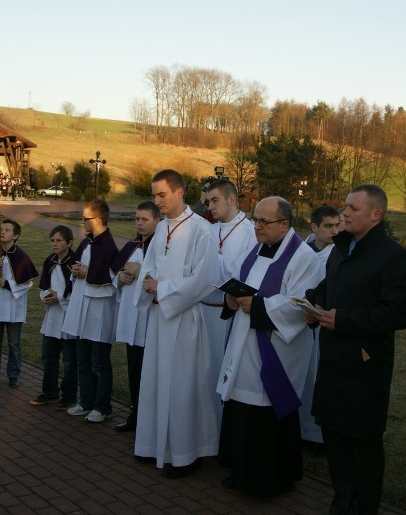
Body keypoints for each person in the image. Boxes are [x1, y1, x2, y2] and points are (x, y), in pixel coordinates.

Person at [308, 184, 406, 515]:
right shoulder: (341, 249)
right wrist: (313, 303)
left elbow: (397, 313)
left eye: (353, 209)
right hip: (332, 362)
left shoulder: (395, 258)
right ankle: (342, 502)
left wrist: (343, 320)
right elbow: (328, 288)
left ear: (376, 215)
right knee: (335, 442)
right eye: (345, 207)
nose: (344, 213)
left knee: (362, 446)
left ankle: (362, 507)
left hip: (364, 367)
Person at [217, 196, 322, 496]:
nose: (257, 226)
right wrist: (231, 298)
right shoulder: (258, 248)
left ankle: (268, 480)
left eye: (264, 221)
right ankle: (241, 471)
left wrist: (260, 306)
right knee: (241, 408)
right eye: (255, 220)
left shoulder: (304, 258)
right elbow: (240, 280)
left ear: (285, 224)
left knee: (264, 413)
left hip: (274, 349)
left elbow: (303, 302)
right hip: (244, 341)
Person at [134, 169, 220, 478]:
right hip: (161, 319)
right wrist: (147, 280)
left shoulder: (201, 229)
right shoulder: (160, 229)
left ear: (180, 192)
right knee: (156, 380)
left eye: (162, 195)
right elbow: (151, 265)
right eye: (155, 195)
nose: (157, 201)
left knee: (183, 385)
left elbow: (204, 278)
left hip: (183, 319)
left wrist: (163, 288)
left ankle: (186, 453)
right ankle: (153, 444)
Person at [203, 178, 257, 425]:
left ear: (232, 199)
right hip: (203, 309)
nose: (210, 207)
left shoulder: (250, 231)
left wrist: (212, 260)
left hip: (228, 314)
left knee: (222, 372)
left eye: (215, 200)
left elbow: (243, 274)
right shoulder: (210, 229)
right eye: (207, 202)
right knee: (203, 372)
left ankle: (222, 429)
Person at [62, 199, 119, 424]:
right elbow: (80, 264)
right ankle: (86, 401)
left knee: (99, 362)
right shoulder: (87, 242)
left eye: (85, 218)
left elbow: (110, 275)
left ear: (97, 219)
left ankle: (103, 406)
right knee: (83, 359)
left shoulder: (108, 245)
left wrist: (88, 272)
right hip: (82, 307)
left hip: (99, 310)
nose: (83, 222)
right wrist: (76, 269)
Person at [112, 201, 160, 432]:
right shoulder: (131, 245)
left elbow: (163, 277)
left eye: (145, 219)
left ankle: (148, 419)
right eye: (137, 219)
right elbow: (116, 275)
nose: (139, 223)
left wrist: (139, 273)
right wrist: (120, 279)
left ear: (157, 221)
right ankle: (135, 412)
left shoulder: (160, 247)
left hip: (150, 318)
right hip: (131, 318)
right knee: (133, 368)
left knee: (148, 371)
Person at [0, 218, 38, 388]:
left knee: (14, 343)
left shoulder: (21, 256)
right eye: (1, 229)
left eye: (7, 230)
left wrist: (9, 285)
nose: (2, 232)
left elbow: (27, 282)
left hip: (13, 305)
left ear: (16, 235)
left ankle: (13, 374)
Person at [300, 205, 341, 445]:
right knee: (302, 375)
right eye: (328, 226)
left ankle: (317, 435)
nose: (334, 231)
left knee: (319, 377)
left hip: (324, 320)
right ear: (314, 227)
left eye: (337, 225)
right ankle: (302, 428)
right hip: (300, 320)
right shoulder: (301, 251)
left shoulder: (339, 253)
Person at [30, 225, 79, 408]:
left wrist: (61, 298)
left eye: (58, 240)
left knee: (69, 361)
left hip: (67, 318)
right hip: (52, 318)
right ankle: (50, 391)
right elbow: (43, 287)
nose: (55, 244)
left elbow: (77, 291)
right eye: (52, 240)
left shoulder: (75, 263)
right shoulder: (50, 261)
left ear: (69, 243)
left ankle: (69, 396)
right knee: (49, 358)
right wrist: (46, 296)